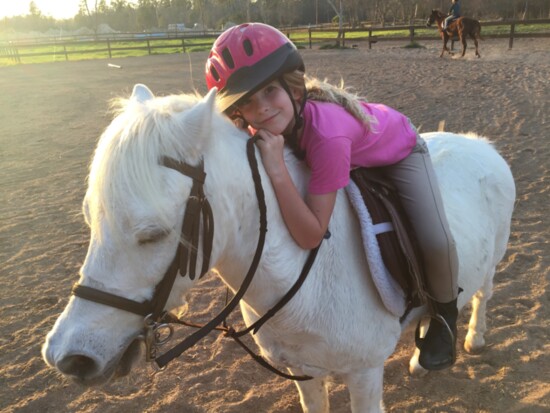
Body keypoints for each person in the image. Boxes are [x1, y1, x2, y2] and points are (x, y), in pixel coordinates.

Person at [205, 22, 459, 371]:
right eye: (248, 103)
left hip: (399, 148)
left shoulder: (327, 137)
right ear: (239, 113)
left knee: (435, 239)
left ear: (294, 89)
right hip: (350, 147)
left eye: (269, 92)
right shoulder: (269, 122)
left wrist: (277, 169)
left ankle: (445, 318)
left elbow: (311, 234)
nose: (261, 108)